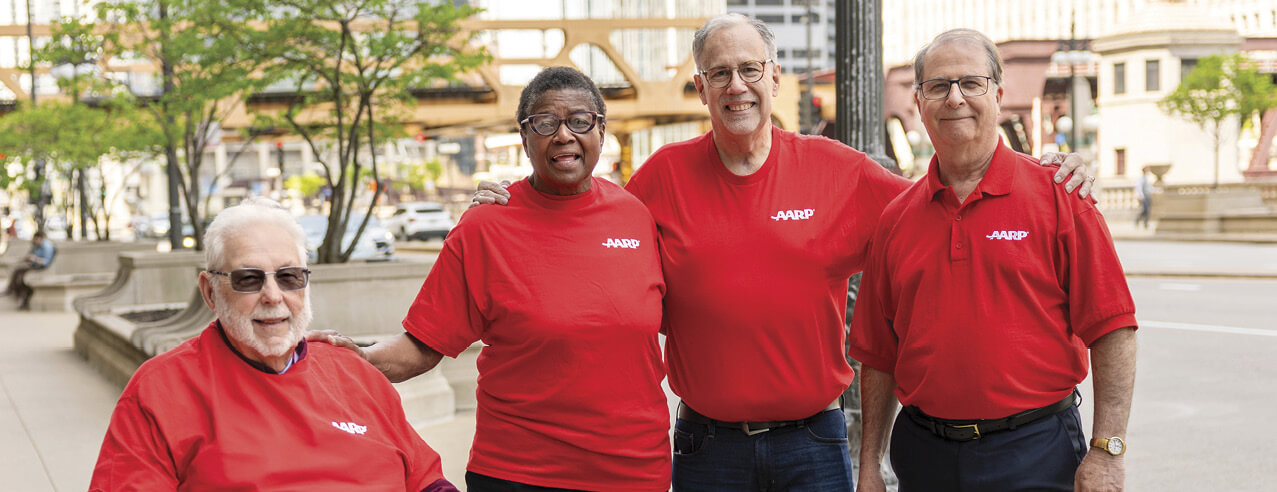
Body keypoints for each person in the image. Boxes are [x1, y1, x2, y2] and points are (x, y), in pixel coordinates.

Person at [474, 14, 1096, 491]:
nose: (736, 86)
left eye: (750, 70)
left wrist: (1048, 172)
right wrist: (511, 203)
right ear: (700, 87)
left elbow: (943, 204)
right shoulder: (661, 179)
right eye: (719, 73)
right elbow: (585, 232)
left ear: (775, 78)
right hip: (705, 448)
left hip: (815, 444)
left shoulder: (838, 171)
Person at [313, 66, 670, 491]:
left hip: (633, 471)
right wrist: (359, 358)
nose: (563, 135)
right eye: (544, 123)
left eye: (579, 121)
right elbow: (424, 345)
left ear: (601, 130)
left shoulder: (637, 216)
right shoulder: (485, 227)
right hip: (520, 473)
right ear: (524, 137)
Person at [850, 29, 1137, 492]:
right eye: (939, 86)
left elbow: (1114, 328)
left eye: (971, 83)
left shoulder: (1061, 196)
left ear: (998, 95)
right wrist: (869, 466)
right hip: (925, 455)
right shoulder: (895, 220)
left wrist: (1107, 450)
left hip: (1036, 452)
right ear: (919, 103)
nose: (955, 98)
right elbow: (878, 357)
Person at [89, 197, 457, 492]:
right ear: (210, 292)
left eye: (289, 276)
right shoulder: (160, 390)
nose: (272, 296)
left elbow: (426, 478)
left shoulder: (353, 372)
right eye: (248, 279)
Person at [3, 230, 54, 310]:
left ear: (40, 238)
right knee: (18, 274)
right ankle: (13, 290)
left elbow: (45, 262)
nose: (35, 241)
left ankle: (12, 291)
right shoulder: (37, 245)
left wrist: (35, 259)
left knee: (20, 275)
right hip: (34, 265)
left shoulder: (47, 246)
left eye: (36, 239)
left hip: (41, 267)